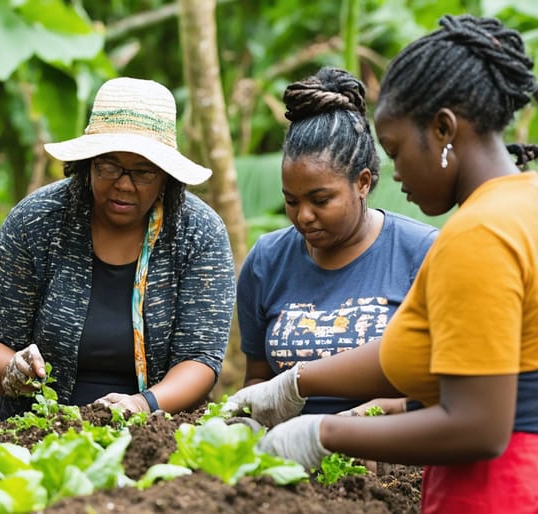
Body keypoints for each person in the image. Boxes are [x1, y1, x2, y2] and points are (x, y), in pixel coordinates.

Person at [225, 14, 538, 513]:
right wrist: (296, 383)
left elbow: (478, 425)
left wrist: (323, 430)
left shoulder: (478, 233)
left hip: (497, 492)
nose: (393, 173)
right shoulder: (524, 204)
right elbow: (442, 359)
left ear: (443, 130)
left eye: (394, 150)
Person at [0, 77, 236, 420]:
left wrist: (142, 404)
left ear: (166, 177)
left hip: (155, 431)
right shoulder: (37, 221)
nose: (123, 185)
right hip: (35, 428)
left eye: (143, 172)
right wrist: (13, 370)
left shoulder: (198, 232)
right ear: (86, 163)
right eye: (108, 167)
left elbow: (199, 358)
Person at [237, 67, 437, 415]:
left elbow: (450, 385)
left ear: (362, 183)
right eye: (292, 200)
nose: (303, 216)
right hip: (286, 459)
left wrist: (392, 410)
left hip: (392, 454)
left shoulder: (420, 253)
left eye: (320, 200)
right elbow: (257, 379)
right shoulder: (267, 260)